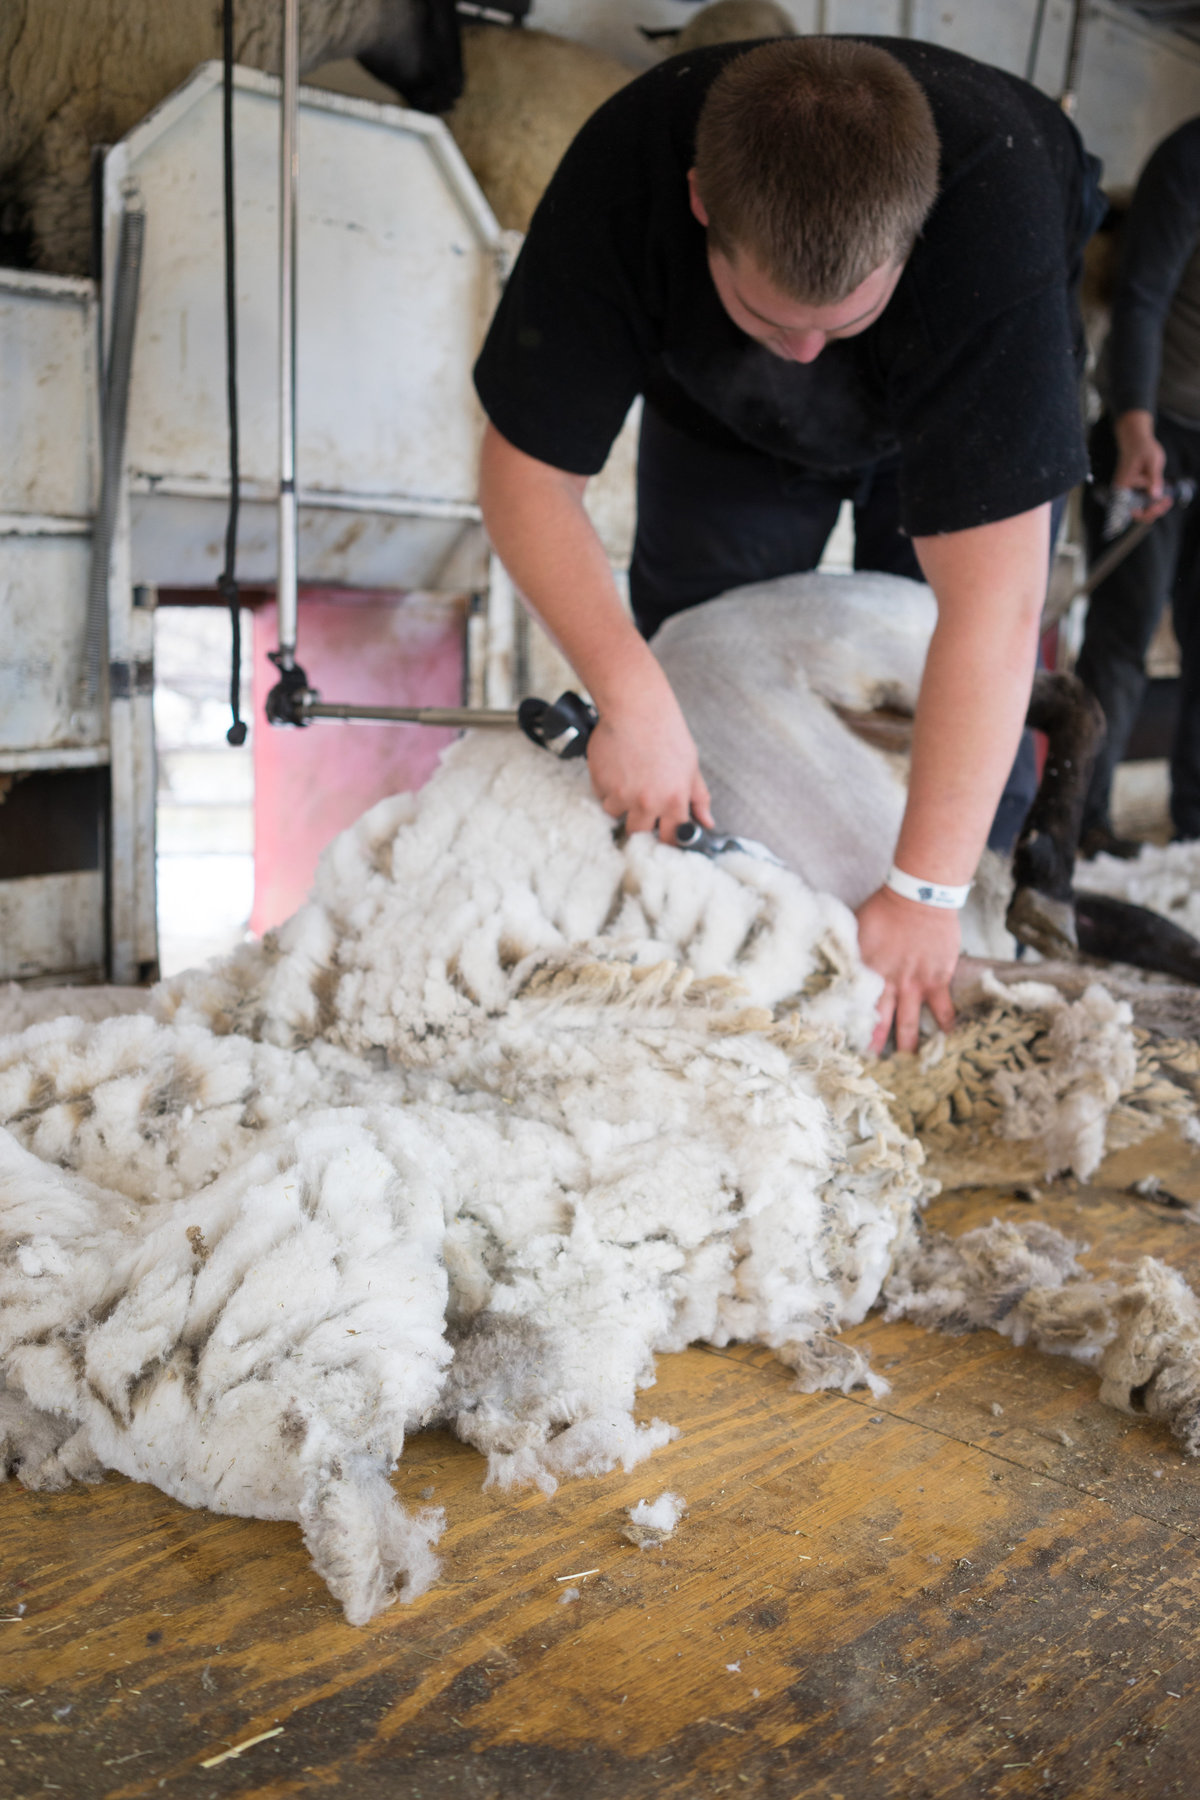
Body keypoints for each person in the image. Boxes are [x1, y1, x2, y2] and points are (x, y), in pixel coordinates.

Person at [473, 36, 1102, 1052]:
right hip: (724, 411)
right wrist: (632, 697)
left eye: (840, 321)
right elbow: (524, 479)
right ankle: (744, 953)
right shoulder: (621, 179)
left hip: (953, 387)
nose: (810, 352)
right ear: (700, 205)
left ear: (912, 237)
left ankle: (968, 929)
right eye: (777, 318)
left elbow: (995, 611)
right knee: (698, 668)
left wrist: (926, 893)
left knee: (949, 719)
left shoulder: (990, 226)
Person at [1075, 116, 1200, 858]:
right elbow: (1143, 297)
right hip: (1157, 430)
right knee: (1123, 634)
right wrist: (1133, 428)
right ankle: (1083, 818)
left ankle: (1195, 826)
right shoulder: (1188, 159)